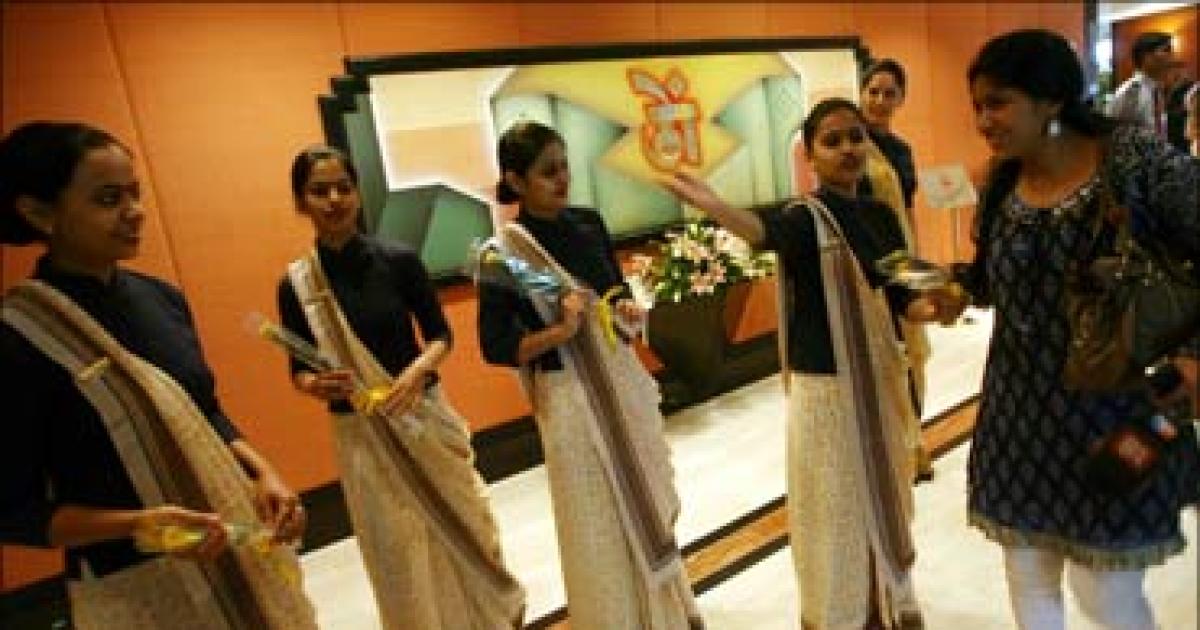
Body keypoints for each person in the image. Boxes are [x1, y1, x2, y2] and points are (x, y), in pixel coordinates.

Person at [0, 121, 316, 629]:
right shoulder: (22, 337)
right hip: (134, 585)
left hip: (235, 552)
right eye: (109, 199)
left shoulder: (160, 298)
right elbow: (14, 514)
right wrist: (140, 524)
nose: (135, 211)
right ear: (39, 213)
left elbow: (203, 411)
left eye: (135, 193)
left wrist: (263, 473)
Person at [938, 29, 1200, 629]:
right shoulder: (1003, 179)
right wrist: (955, 291)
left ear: (1052, 99)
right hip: (1018, 418)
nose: (983, 120)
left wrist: (1192, 352)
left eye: (998, 103)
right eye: (977, 105)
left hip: (1115, 411)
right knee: (1029, 580)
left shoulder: (1136, 162)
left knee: (1107, 596)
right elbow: (992, 280)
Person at [666, 98, 941, 629]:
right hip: (826, 388)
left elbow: (903, 295)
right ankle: (840, 614)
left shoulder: (881, 216)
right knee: (835, 506)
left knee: (885, 495)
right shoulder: (803, 218)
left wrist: (939, 304)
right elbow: (760, 231)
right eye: (832, 141)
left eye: (856, 137)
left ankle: (883, 604)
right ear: (810, 156)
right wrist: (715, 206)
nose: (847, 149)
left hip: (879, 378)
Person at [276, 145, 525, 629]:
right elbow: (297, 369)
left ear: (357, 193)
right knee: (396, 552)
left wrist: (415, 374)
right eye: (319, 191)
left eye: (343, 187)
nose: (334, 200)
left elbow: (440, 336)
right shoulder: (297, 285)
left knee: (465, 524)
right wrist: (316, 385)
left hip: (421, 414)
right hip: (361, 436)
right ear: (300, 202)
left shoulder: (398, 260)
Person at [476, 121, 702, 630]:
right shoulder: (502, 255)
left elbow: (615, 288)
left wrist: (626, 310)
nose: (562, 179)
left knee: (647, 496)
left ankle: (668, 610)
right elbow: (496, 347)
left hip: (618, 380)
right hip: (567, 399)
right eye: (547, 172)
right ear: (515, 180)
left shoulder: (588, 223)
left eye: (564, 166)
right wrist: (559, 332)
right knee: (594, 514)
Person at [859, 58, 935, 483]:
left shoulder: (902, 151)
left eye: (890, 93)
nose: (880, 100)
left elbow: (906, 211)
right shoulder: (853, 147)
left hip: (902, 260)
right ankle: (889, 450)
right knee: (883, 358)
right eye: (873, 91)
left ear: (902, 98)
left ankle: (914, 443)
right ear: (861, 92)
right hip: (868, 266)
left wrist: (920, 270)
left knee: (913, 354)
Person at [1106, 31, 1176, 137]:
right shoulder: (1131, 92)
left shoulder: (1156, 90)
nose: (1172, 56)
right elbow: (1114, 133)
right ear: (1146, 56)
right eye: (1166, 50)